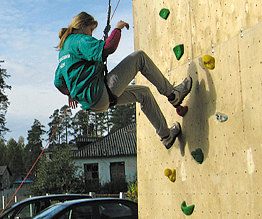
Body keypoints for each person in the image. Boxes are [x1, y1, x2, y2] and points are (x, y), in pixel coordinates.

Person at [54, 11, 192, 149]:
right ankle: (173, 94)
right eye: (90, 30)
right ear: (83, 26)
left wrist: (70, 93)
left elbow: (58, 83)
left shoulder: (63, 51)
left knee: (144, 93)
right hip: (100, 92)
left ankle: (166, 136)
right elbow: (108, 47)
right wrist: (118, 28)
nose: (90, 34)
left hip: (93, 104)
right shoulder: (78, 40)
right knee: (139, 57)